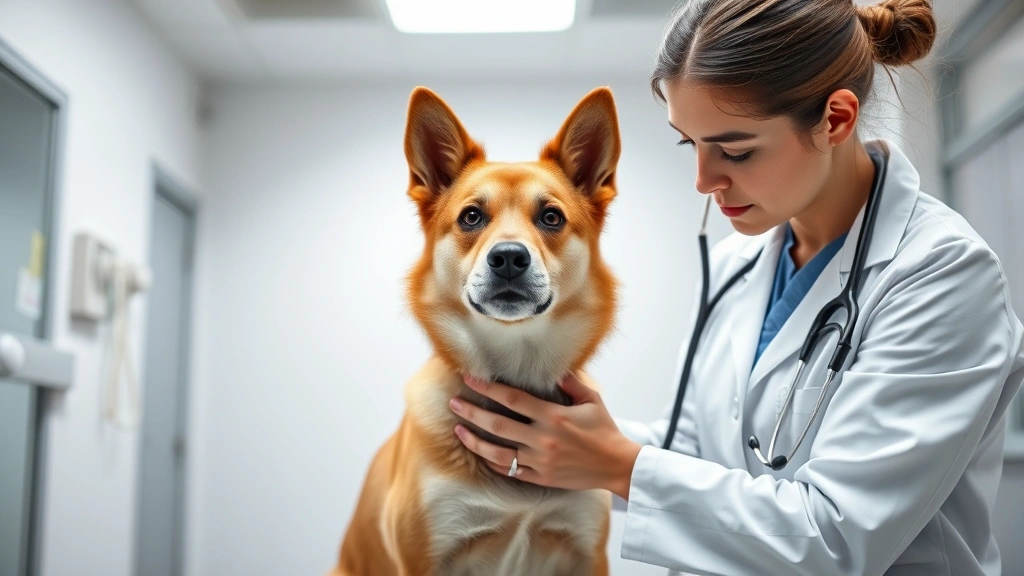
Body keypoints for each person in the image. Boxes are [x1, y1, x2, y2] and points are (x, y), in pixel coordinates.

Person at [446, 0, 1024, 573]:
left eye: (736, 150)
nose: (704, 180)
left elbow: (837, 539)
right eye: (688, 143)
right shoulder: (738, 263)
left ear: (836, 120)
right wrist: (562, 433)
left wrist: (617, 464)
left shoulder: (942, 275)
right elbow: (702, 452)